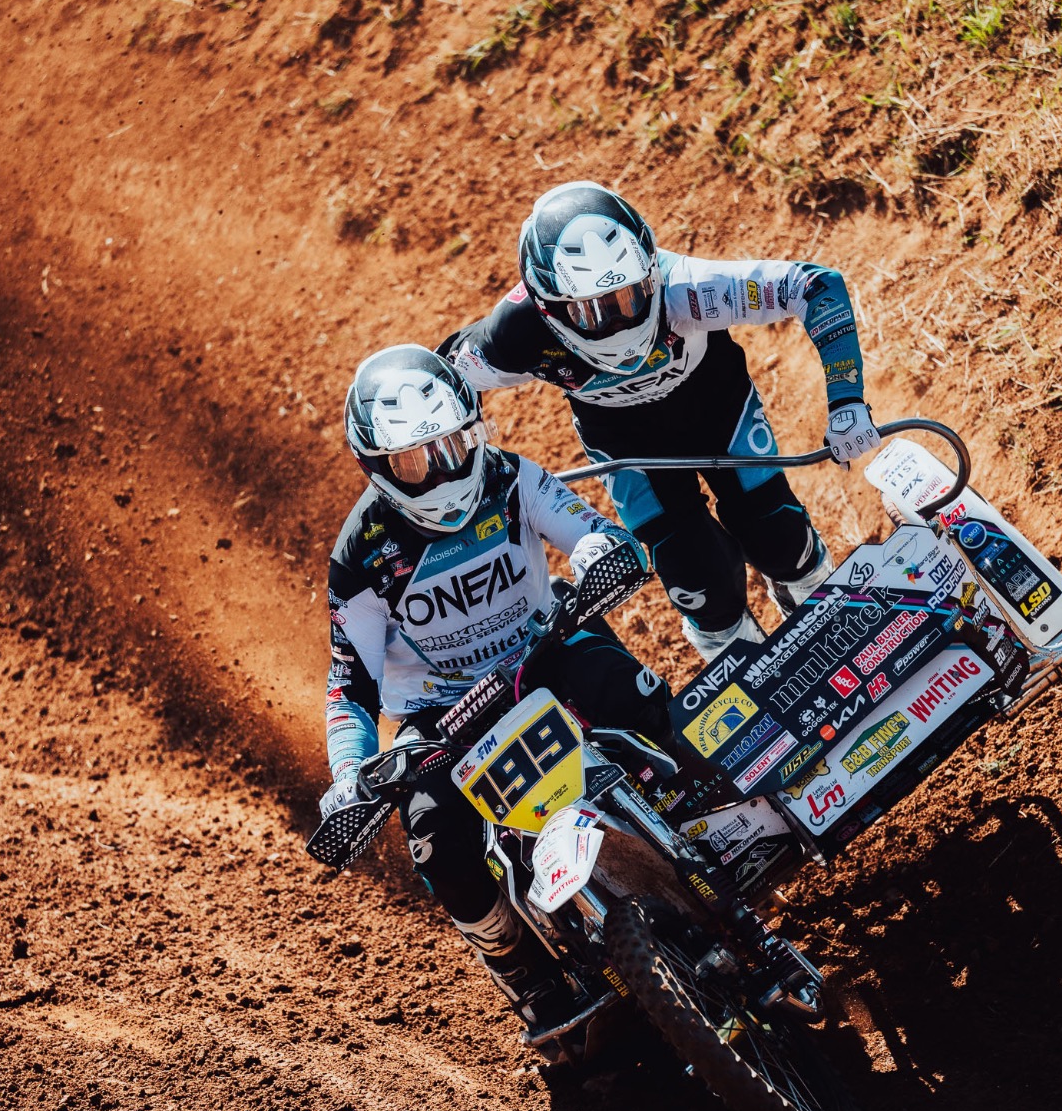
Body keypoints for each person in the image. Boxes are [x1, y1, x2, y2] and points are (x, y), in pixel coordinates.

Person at [320, 344, 669, 1041]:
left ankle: (705, 821)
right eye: (416, 461)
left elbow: (590, 532)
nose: (444, 470)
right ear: (378, 467)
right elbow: (348, 683)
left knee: (631, 693)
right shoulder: (360, 555)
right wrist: (349, 775)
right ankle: (525, 974)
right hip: (443, 715)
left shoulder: (510, 476)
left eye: (454, 444)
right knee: (434, 839)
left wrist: (601, 555)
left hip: (544, 653)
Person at [438, 181, 881, 661]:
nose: (619, 321)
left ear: (650, 271)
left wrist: (847, 399)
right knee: (698, 576)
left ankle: (821, 614)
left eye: (632, 297)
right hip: (626, 443)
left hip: (716, 405)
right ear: (548, 307)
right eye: (593, 311)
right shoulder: (513, 334)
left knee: (779, 536)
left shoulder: (685, 286)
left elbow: (814, 286)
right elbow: (435, 389)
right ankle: (740, 663)